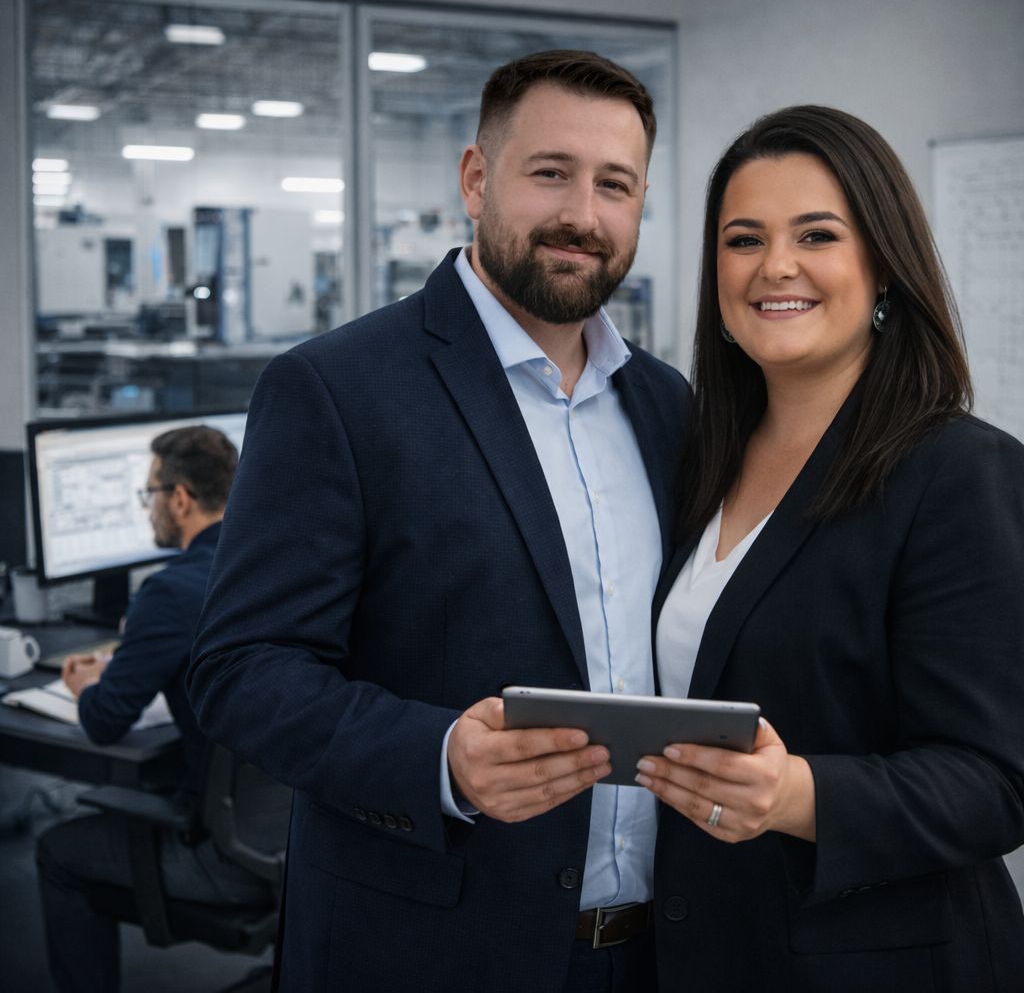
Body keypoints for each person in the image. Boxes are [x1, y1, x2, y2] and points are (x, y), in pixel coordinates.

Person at [188, 50, 689, 992]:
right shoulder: (337, 390)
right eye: (551, 173)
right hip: (428, 953)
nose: (584, 214)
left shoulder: (667, 407)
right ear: (475, 179)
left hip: (651, 954)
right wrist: (441, 757)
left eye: (614, 184)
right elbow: (241, 669)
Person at [637, 105, 1024, 991]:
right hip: (711, 952)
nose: (776, 266)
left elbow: (997, 779)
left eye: (817, 234)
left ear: (883, 263)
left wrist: (797, 795)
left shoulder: (961, 472)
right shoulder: (696, 457)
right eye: (744, 240)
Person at [37, 425, 274, 993]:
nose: (148, 509)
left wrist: (86, 685)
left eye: (149, 494)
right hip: (299, 842)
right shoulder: (270, 563)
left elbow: (104, 720)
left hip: (228, 859)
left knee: (56, 852)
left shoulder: (170, 592)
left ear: (181, 498)